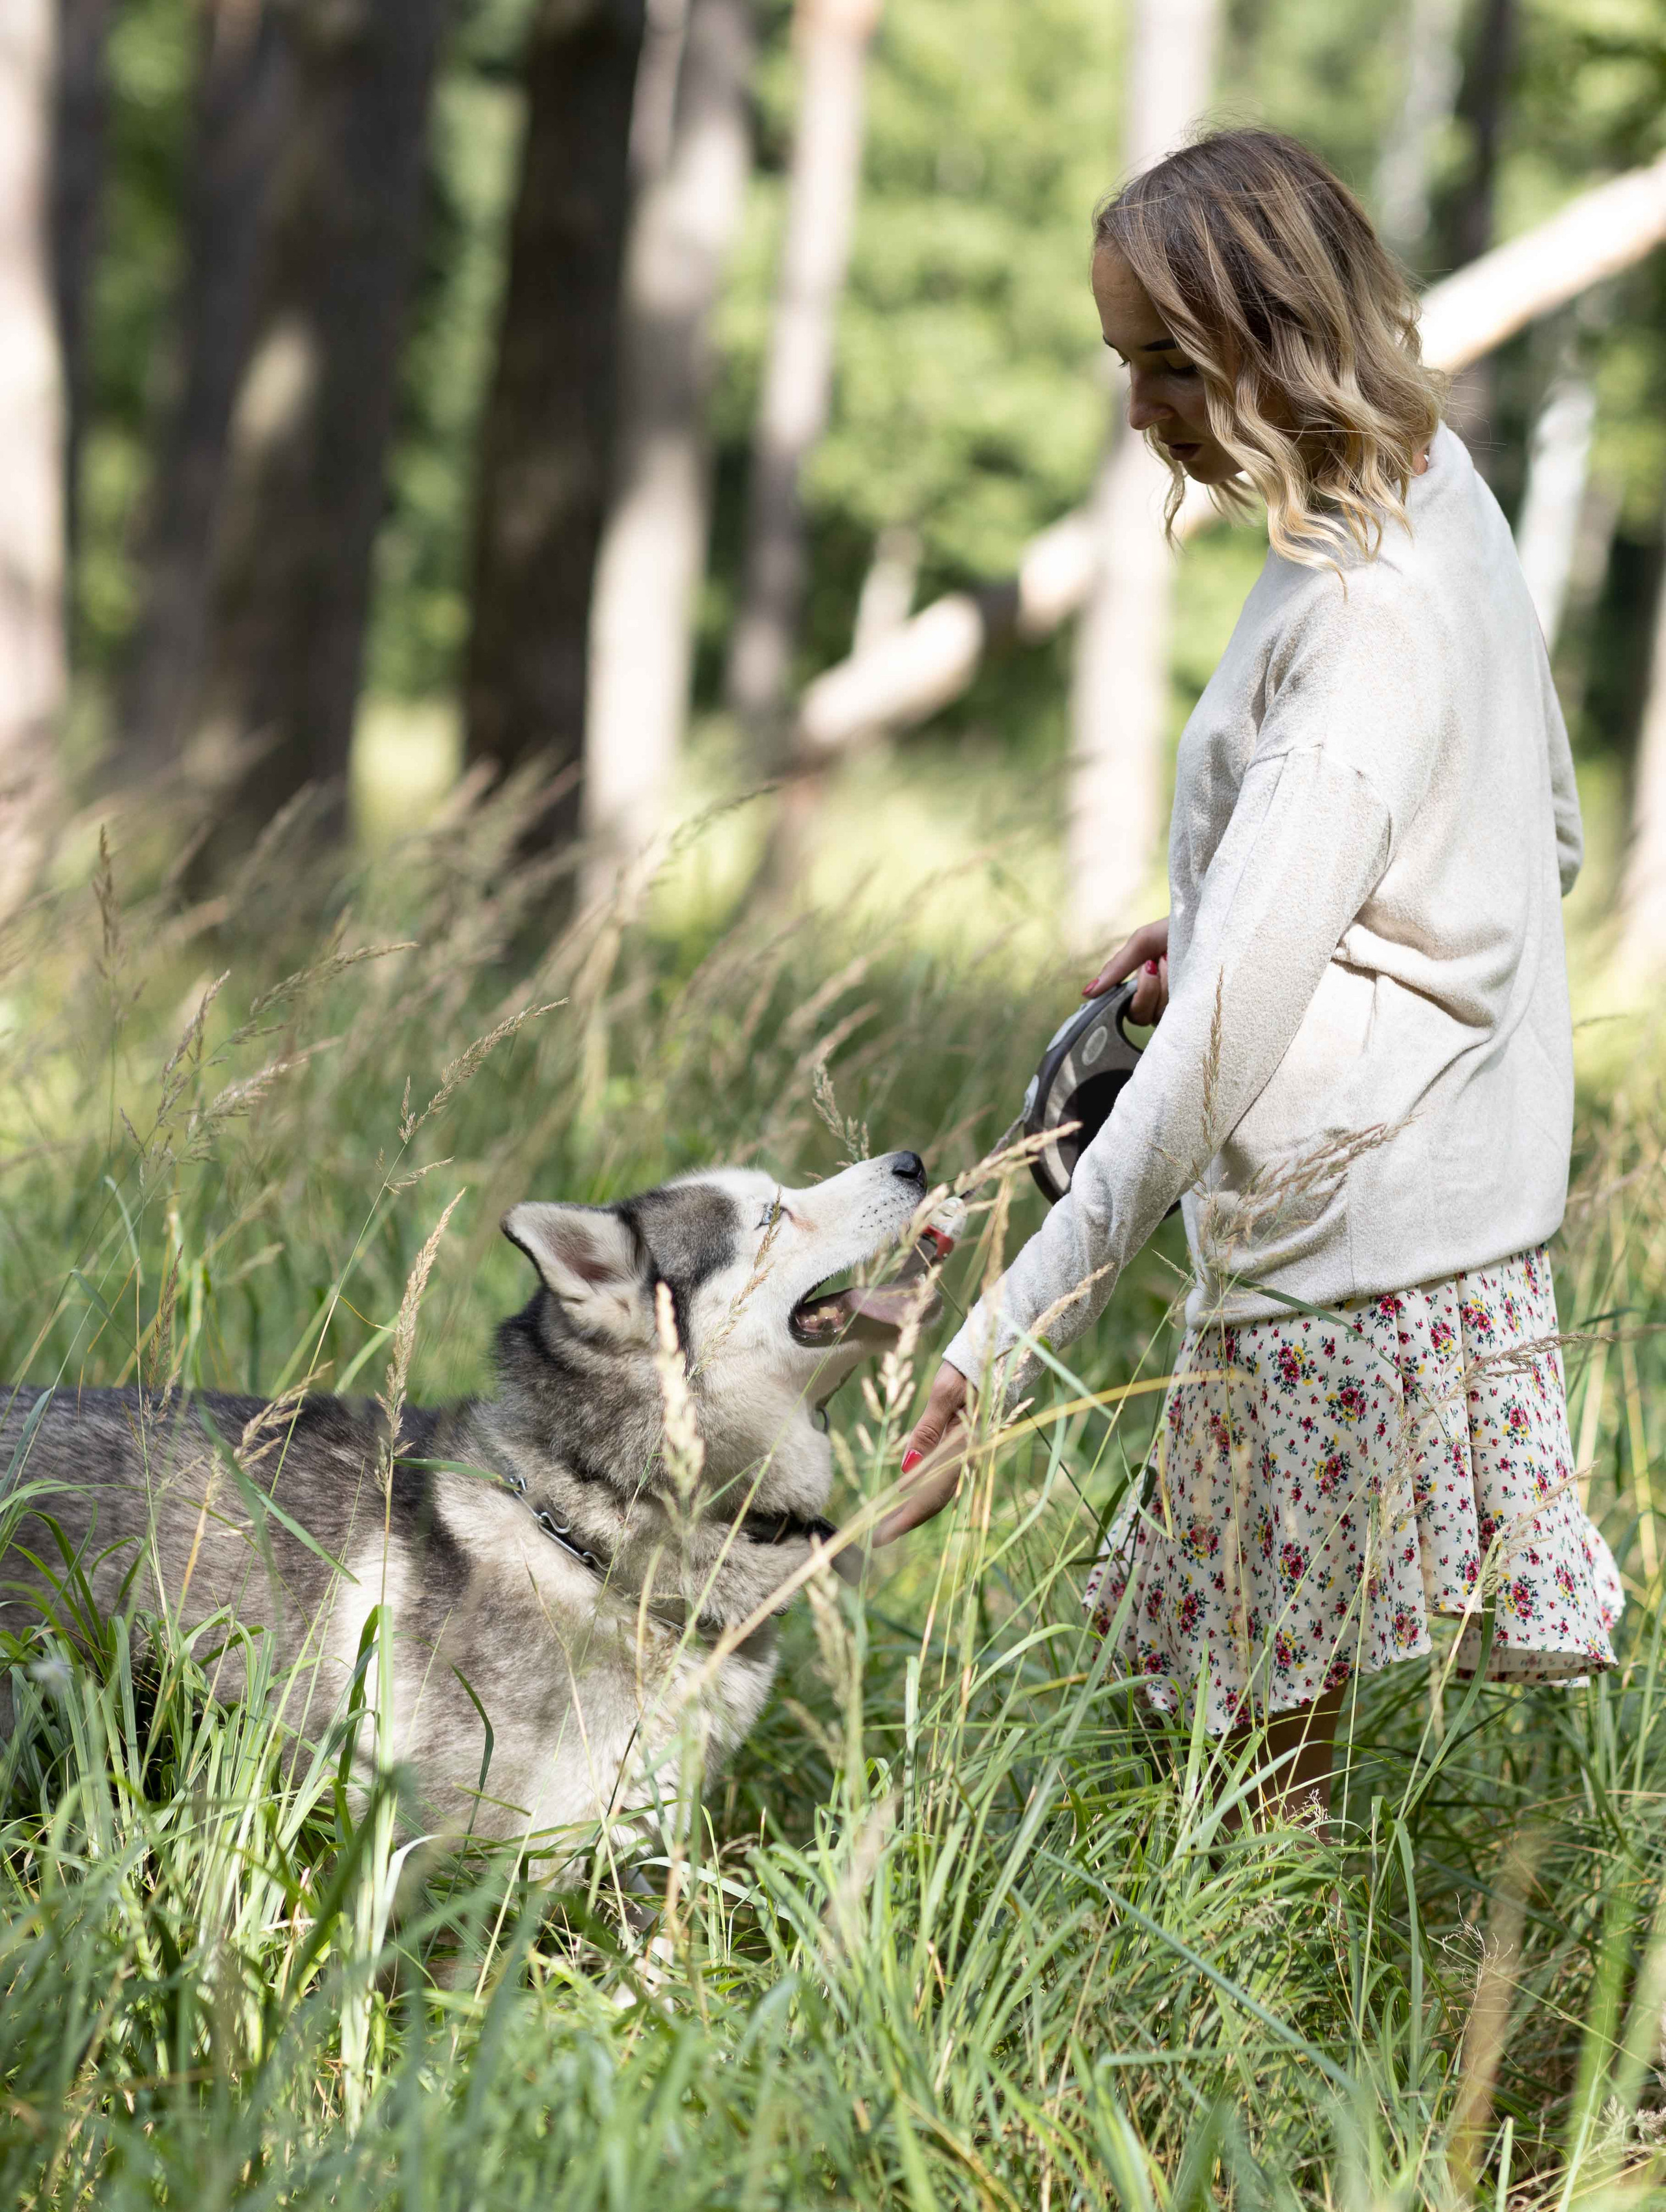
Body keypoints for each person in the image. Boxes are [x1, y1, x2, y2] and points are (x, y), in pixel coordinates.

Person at [876, 128, 1621, 1825]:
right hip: (1437, 1249)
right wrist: (1242, 905)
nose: (1138, 408)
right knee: (1234, 1745)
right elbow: (1546, 835)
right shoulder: (1430, 489)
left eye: (1168, 360)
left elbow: (1212, 1058)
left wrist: (1000, 1342)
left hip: (1342, 1270)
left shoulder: (1361, 624)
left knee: (1254, 1789)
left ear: (1278, 341)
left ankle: (1321, 1992)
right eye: (1122, 359)